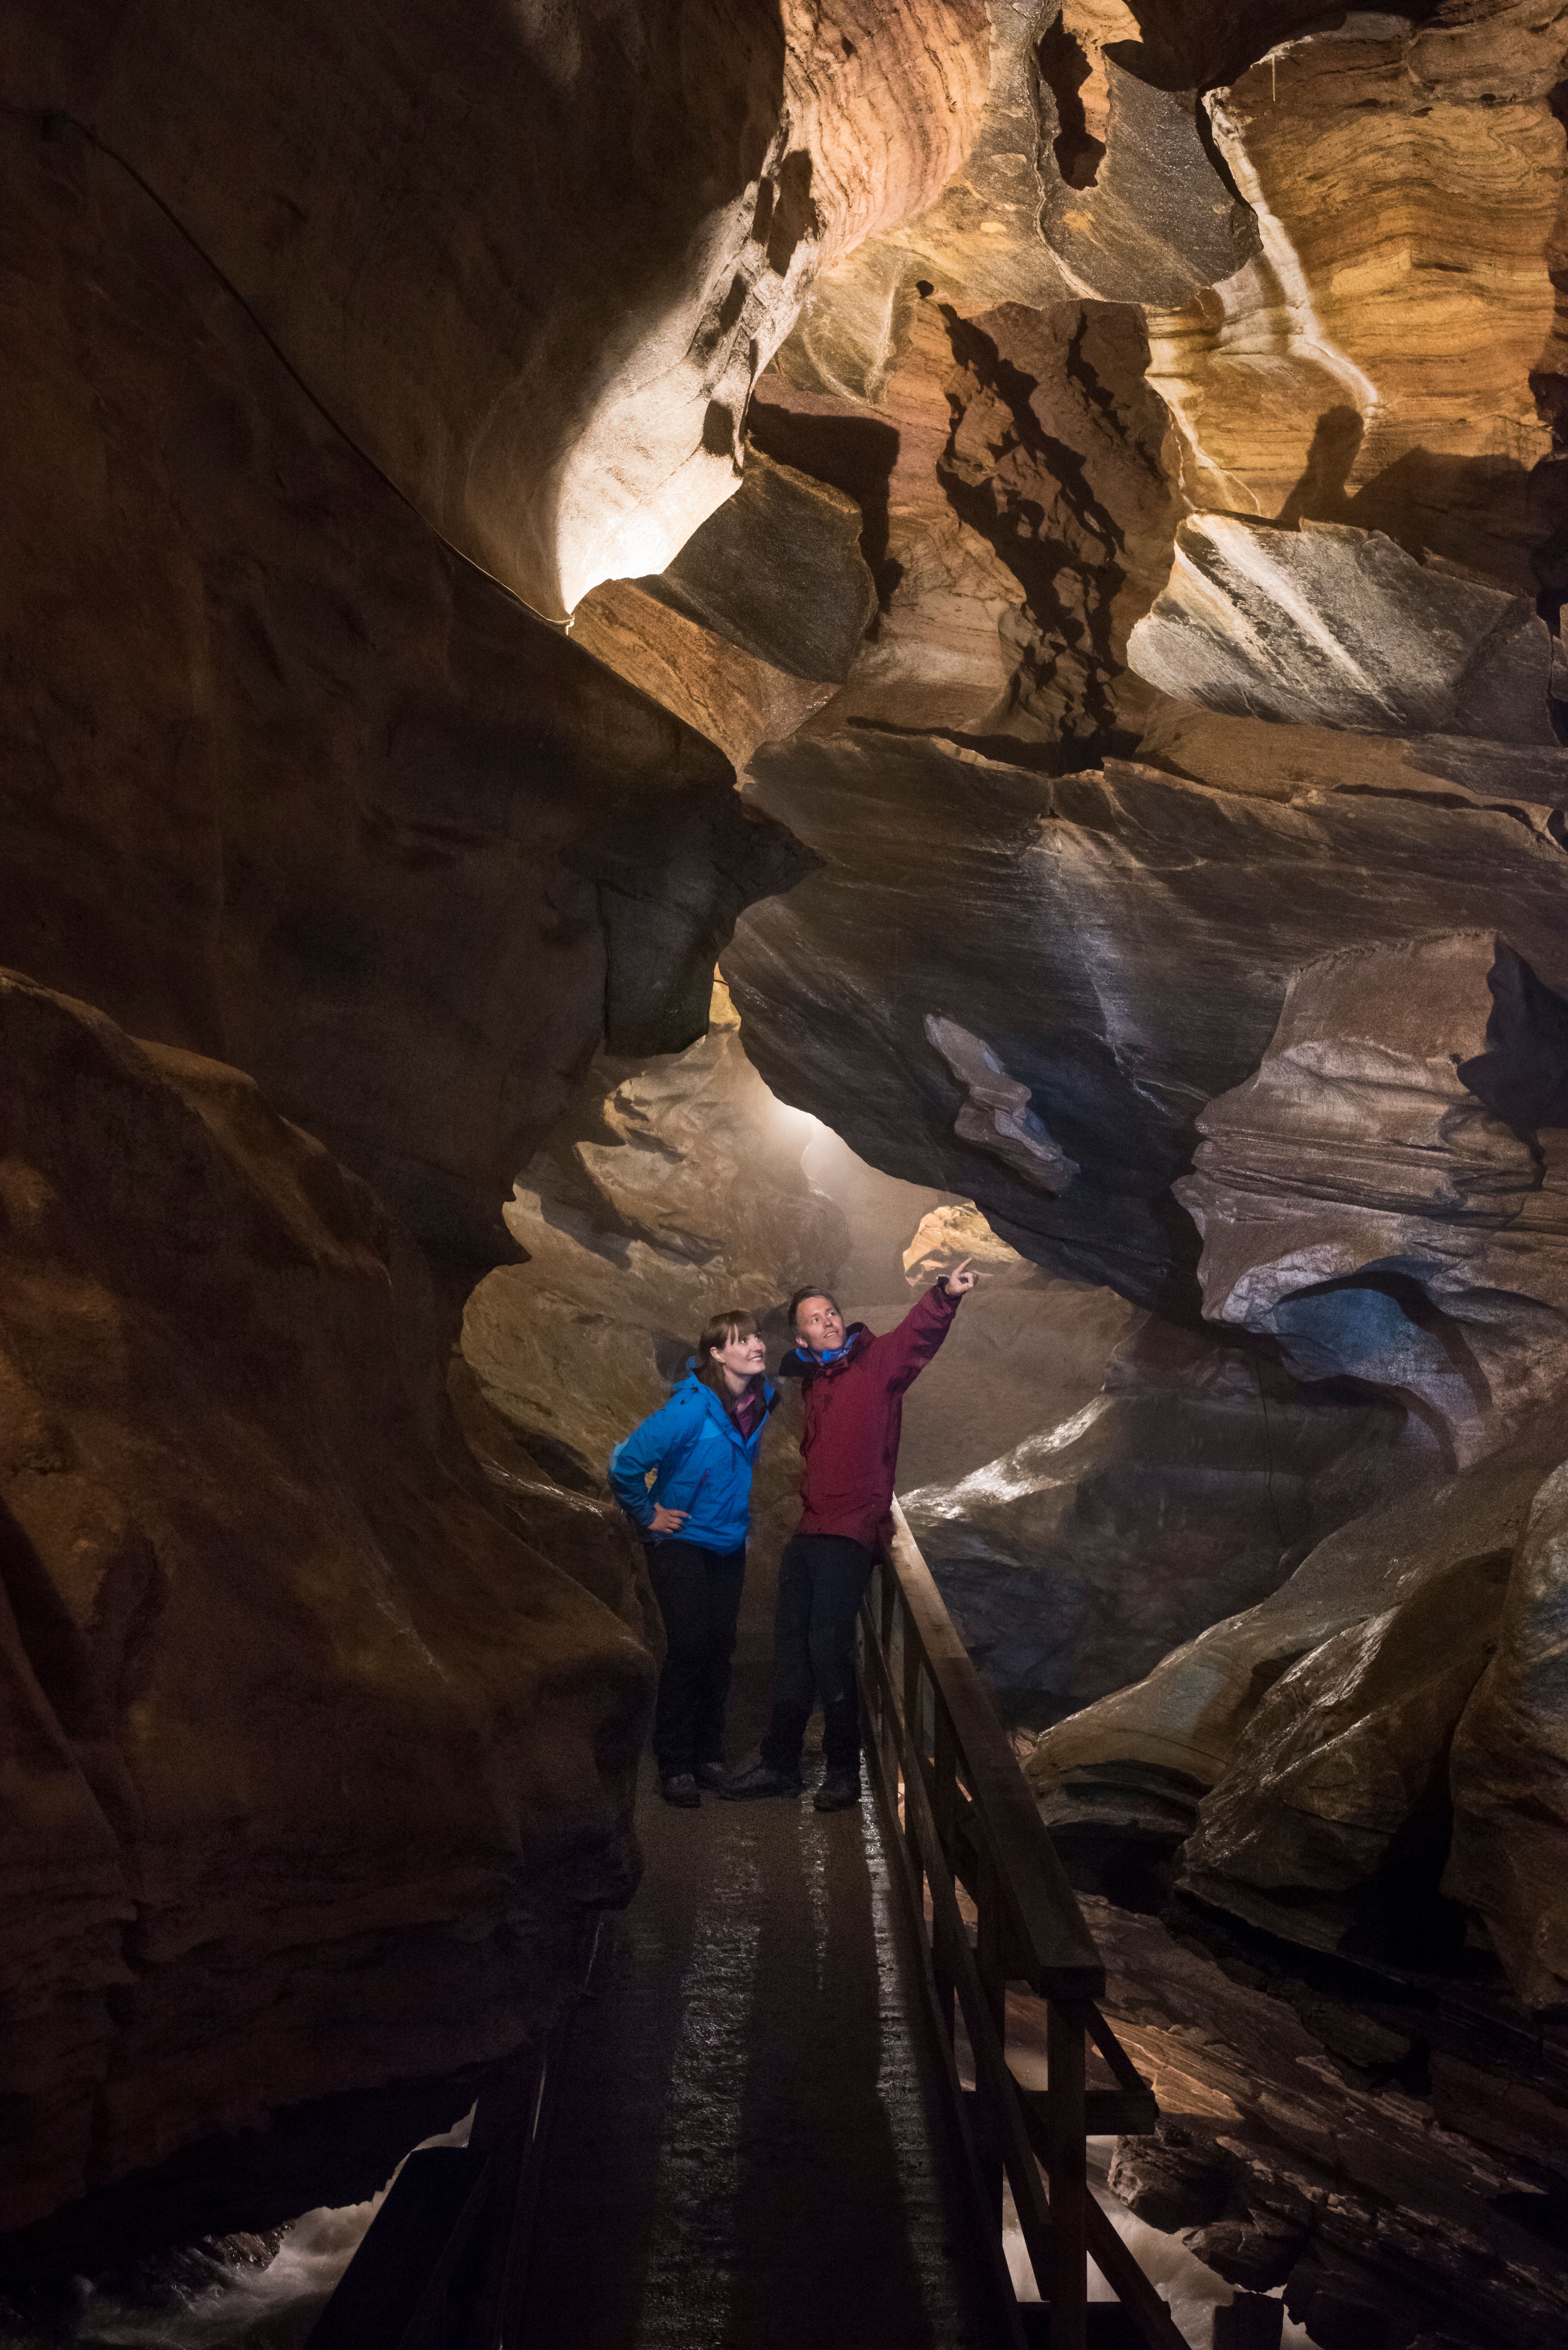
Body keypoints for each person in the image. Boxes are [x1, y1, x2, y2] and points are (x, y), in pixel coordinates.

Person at [724, 1259, 977, 1813]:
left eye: (833, 1313)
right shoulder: (815, 1384)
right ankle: (780, 1764)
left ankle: (844, 1770)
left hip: (852, 1529)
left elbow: (918, 1336)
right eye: (816, 1319)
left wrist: (946, 1296)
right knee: (791, 1644)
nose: (829, 1322)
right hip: (811, 1527)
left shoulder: (877, 1363)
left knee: (825, 1645)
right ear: (803, 1336)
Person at [608, 1310, 777, 1808]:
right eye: (740, 1340)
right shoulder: (688, 1410)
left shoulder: (760, 1401)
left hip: (726, 1543)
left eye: (757, 1336)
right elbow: (626, 1463)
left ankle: (709, 1754)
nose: (755, 1345)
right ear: (716, 1355)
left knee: (720, 1647)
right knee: (689, 1646)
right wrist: (647, 1514)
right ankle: (677, 1761)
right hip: (681, 1542)